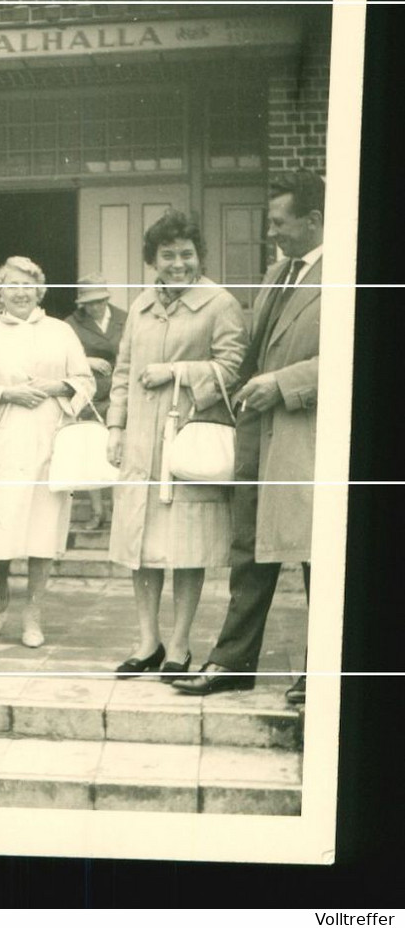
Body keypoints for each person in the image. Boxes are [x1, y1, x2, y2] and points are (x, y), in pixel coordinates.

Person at [174, 171, 324, 704]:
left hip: (309, 438)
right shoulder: (278, 273)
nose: (273, 234)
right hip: (259, 436)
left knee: (316, 555)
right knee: (249, 552)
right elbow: (256, 354)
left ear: (315, 220)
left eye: (281, 224)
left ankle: (323, 671)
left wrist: (284, 385)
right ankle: (233, 663)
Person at [106, 211, 247, 679]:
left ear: (199, 256)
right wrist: (115, 427)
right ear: (153, 259)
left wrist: (179, 372)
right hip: (140, 445)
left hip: (187, 440)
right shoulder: (142, 305)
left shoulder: (219, 303)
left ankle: (180, 645)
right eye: (168, 255)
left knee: (186, 545)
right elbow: (123, 371)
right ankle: (148, 640)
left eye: (186, 254)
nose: (178, 263)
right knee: (140, 545)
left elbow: (232, 367)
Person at [0, 256, 95, 648]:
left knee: (43, 528)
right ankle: (1, 591)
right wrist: (7, 394)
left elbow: (84, 381)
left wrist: (55, 388)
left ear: (40, 290)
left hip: (48, 438)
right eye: (11, 286)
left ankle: (33, 610)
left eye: (27, 285)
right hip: (3, 440)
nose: (20, 292)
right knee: (0, 523)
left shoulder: (60, 333)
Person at [66, 273, 127, 528]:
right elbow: (63, 355)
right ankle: (97, 511)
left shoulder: (124, 319)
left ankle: (121, 511)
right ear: (82, 304)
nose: (96, 307)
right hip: (90, 396)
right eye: (90, 303)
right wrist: (87, 361)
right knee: (92, 451)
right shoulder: (71, 324)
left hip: (120, 393)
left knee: (119, 450)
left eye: (100, 301)